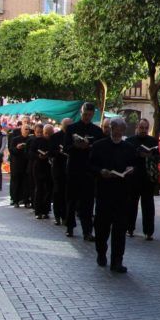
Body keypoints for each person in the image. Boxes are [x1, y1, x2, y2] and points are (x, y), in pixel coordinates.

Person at [89, 117, 136, 273]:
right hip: (104, 192)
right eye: (115, 128)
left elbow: (134, 165)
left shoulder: (129, 148)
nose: (118, 132)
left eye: (121, 129)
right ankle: (101, 253)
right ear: (111, 128)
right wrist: (100, 171)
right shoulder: (99, 146)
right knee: (102, 227)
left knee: (120, 229)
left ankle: (117, 260)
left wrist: (131, 169)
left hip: (122, 193)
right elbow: (91, 165)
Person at [65, 103, 103, 240]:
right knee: (71, 200)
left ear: (93, 115)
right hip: (74, 168)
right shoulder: (71, 128)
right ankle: (69, 227)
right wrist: (76, 146)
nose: (87, 117)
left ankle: (87, 231)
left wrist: (90, 146)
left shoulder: (97, 131)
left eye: (90, 115)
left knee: (88, 202)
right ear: (81, 113)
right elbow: (66, 148)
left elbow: (99, 151)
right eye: (85, 114)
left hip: (89, 170)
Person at [127, 118, 158, 241]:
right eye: (141, 128)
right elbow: (127, 158)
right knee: (131, 204)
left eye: (146, 128)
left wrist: (150, 156)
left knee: (148, 206)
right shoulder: (130, 141)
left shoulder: (153, 141)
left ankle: (148, 231)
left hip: (147, 178)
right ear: (137, 127)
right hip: (133, 177)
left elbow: (158, 157)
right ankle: (129, 228)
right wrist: (138, 154)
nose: (144, 130)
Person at [49, 118, 72, 227]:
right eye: (66, 126)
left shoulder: (73, 136)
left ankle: (66, 216)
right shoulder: (55, 137)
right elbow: (51, 152)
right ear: (62, 125)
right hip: (58, 168)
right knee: (58, 192)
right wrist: (59, 152)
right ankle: (57, 216)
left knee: (67, 193)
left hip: (69, 169)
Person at [29, 123, 54, 219]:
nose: (49, 135)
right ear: (44, 132)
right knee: (39, 189)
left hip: (49, 167)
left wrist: (50, 154)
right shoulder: (37, 141)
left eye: (50, 134)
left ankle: (46, 210)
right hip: (38, 167)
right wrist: (38, 156)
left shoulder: (53, 140)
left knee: (48, 190)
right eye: (47, 133)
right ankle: (38, 211)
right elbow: (30, 152)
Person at [7, 121, 32, 207]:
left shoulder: (30, 139)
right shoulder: (15, 139)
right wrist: (17, 148)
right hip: (17, 165)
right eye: (25, 129)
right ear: (21, 130)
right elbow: (11, 150)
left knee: (26, 183)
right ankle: (15, 200)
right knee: (16, 183)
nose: (27, 131)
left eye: (28, 129)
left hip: (27, 164)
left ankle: (26, 201)